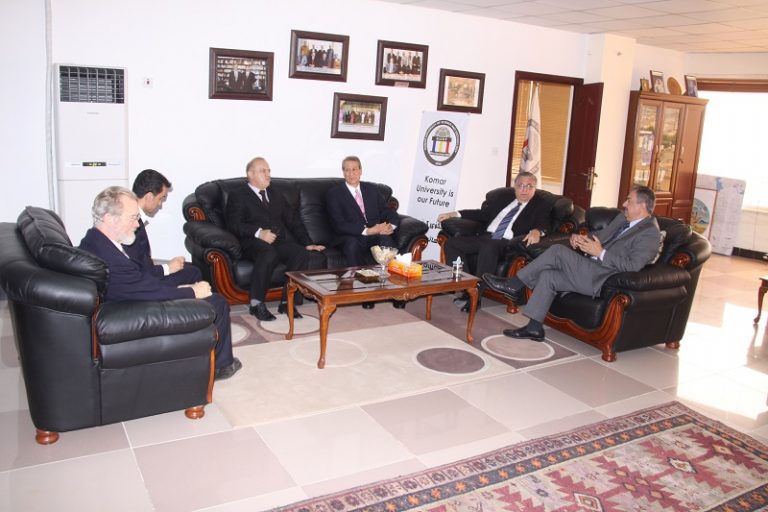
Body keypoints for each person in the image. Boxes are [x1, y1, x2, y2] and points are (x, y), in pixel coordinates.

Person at [79, 186, 241, 380]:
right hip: (135, 310)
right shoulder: (110, 257)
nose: (137, 224)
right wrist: (191, 292)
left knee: (192, 276)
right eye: (132, 218)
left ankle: (202, 351)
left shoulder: (97, 242)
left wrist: (179, 286)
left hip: (132, 300)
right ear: (110, 219)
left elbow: (138, 281)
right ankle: (221, 367)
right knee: (217, 302)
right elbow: (145, 291)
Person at [483, 185, 661, 342]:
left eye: (629, 200)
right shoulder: (623, 219)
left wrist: (600, 253)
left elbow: (633, 266)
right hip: (589, 267)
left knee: (557, 251)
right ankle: (534, 328)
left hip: (602, 277)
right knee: (549, 276)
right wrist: (580, 239)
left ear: (642, 206)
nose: (624, 204)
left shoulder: (650, 233)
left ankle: (513, 285)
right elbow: (600, 237)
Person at [225, 157, 325, 321]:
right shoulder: (238, 195)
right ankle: (256, 303)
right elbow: (233, 224)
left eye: (268, 171)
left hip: (276, 241)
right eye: (263, 171)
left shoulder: (275, 193)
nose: (268, 174)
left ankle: (287, 302)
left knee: (299, 253)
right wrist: (259, 233)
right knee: (268, 253)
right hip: (250, 241)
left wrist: (307, 243)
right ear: (250, 174)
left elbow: (293, 220)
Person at [438, 171, 553, 311]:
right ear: (515, 187)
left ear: (535, 188)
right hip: (486, 236)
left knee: (489, 247)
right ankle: (467, 288)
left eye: (529, 186)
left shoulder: (540, 205)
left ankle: (476, 297)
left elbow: (544, 223)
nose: (524, 190)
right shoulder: (504, 198)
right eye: (521, 185)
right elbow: (482, 214)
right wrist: (455, 214)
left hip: (507, 242)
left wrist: (537, 231)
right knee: (452, 244)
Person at [326, 155, 401, 309]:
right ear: (343, 172)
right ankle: (365, 292)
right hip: (351, 235)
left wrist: (391, 227)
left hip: (375, 233)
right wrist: (367, 231)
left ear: (360, 171)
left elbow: (386, 211)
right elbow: (339, 224)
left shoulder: (371, 189)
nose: (351, 173)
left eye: (354, 169)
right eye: (347, 170)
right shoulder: (334, 194)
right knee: (352, 245)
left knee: (386, 241)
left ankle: (395, 290)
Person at [127, 168, 202, 287]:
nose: (160, 205)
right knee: (194, 272)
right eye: (161, 198)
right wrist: (167, 268)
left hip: (144, 275)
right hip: (144, 284)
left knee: (189, 268)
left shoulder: (129, 216)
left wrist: (166, 266)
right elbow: (142, 271)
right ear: (149, 196)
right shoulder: (134, 224)